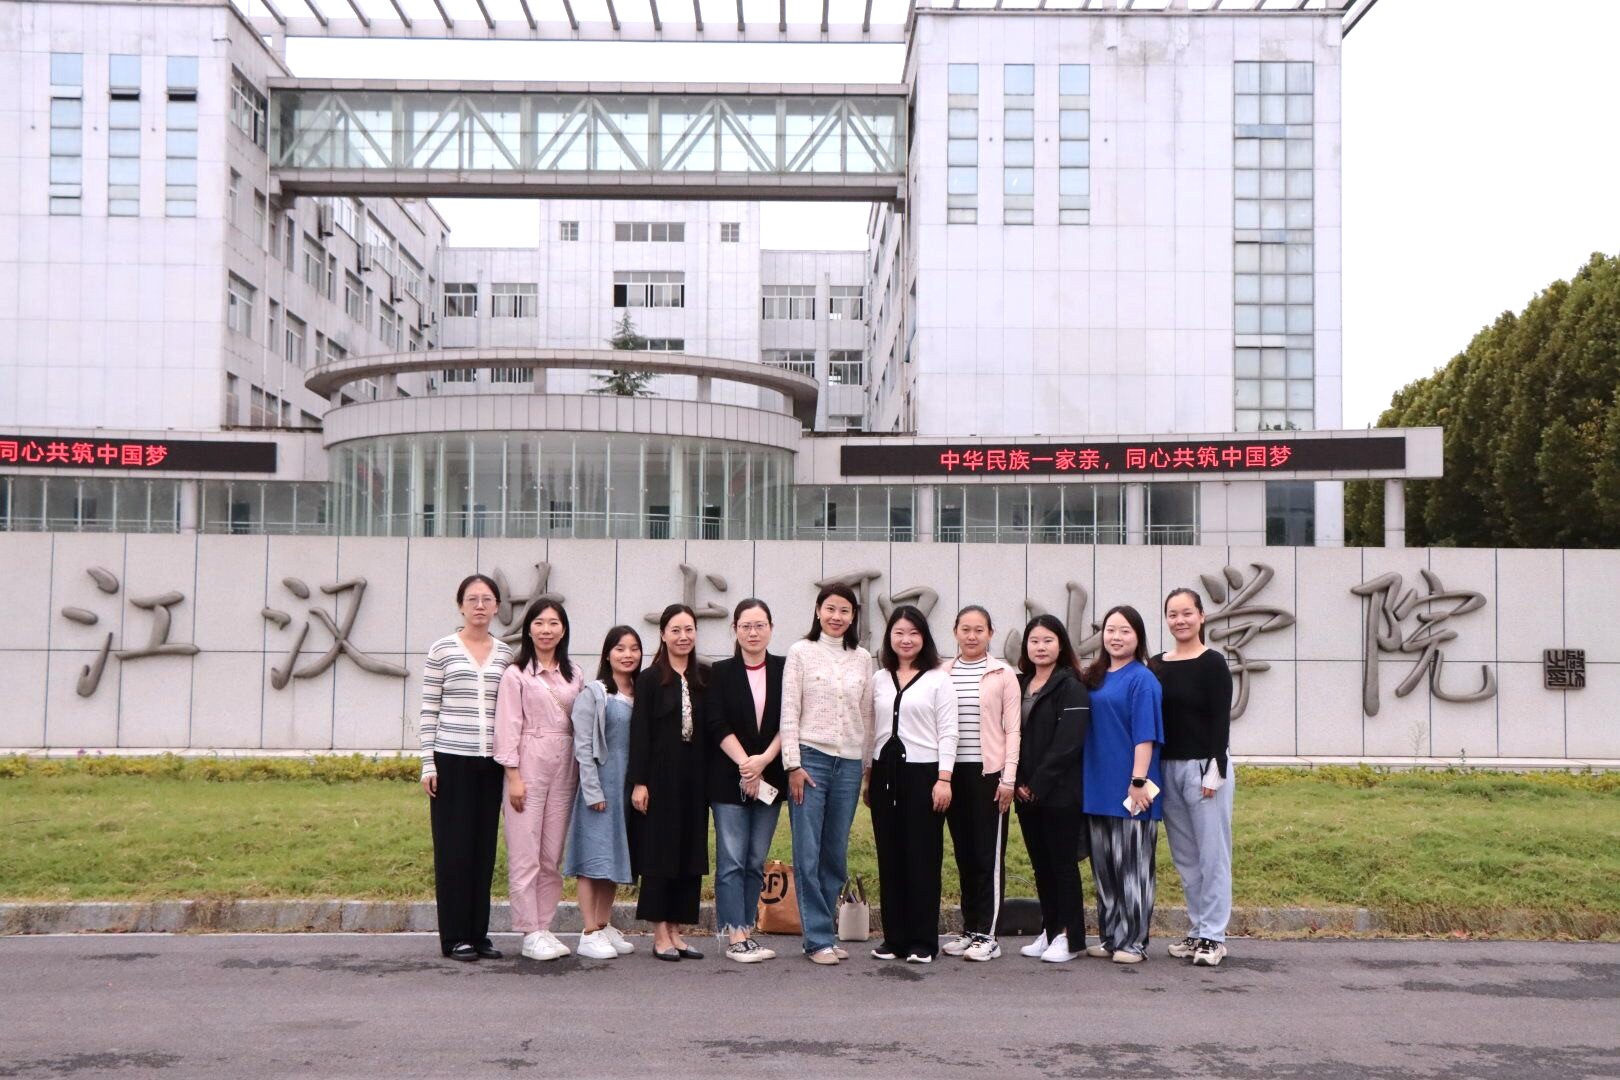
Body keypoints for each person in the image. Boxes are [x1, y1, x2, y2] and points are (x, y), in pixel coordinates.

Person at [419, 573, 515, 962]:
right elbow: (429, 709)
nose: (479, 605)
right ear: (460, 605)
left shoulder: (505, 654)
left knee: (483, 849)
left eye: (487, 599)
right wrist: (428, 762)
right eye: (472, 599)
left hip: (490, 764)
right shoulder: (442, 649)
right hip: (450, 761)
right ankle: (454, 936)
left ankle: (478, 934)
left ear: (497, 607)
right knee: (453, 850)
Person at [780, 583, 875, 965]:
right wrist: (793, 764)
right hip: (810, 760)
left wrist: (866, 767)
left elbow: (867, 716)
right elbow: (789, 710)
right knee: (807, 852)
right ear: (818, 610)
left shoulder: (863, 658)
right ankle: (817, 939)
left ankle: (826, 933)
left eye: (845, 611)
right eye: (830, 609)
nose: (837, 617)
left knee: (834, 854)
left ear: (853, 617)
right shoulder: (801, 652)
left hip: (849, 765)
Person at [494, 598, 585, 962]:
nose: (546, 630)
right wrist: (513, 775)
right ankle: (529, 931)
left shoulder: (574, 674)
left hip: (565, 766)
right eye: (539, 623)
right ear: (528, 629)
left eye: (553, 623)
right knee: (525, 853)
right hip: (528, 764)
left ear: (563, 630)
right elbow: (508, 726)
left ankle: (544, 926)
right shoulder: (516, 674)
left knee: (551, 854)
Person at [866, 605, 957, 964]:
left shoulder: (938, 679)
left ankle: (922, 940)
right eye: (899, 632)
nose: (906, 640)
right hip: (884, 774)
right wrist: (868, 776)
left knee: (922, 856)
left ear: (924, 637)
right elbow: (872, 730)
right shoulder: (879, 678)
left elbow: (948, 732)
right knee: (890, 857)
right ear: (889, 636)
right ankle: (894, 939)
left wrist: (944, 779)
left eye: (914, 633)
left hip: (925, 775)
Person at [1152, 588, 1236, 968]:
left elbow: (1221, 718)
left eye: (1187, 613)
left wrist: (1216, 768)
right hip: (1168, 769)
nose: (1180, 620)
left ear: (1201, 616)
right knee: (1186, 858)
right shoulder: (1156, 664)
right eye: (1173, 614)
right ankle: (1199, 928)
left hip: (1204, 767)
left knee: (1213, 856)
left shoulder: (1212, 663)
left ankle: (1214, 936)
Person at [1080, 605, 1165, 965]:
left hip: (1133, 789)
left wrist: (1138, 780)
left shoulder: (1142, 679)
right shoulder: (1095, 676)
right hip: (1097, 787)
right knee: (1105, 870)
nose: (1116, 637)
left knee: (1133, 869)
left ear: (1138, 637)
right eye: (1111, 630)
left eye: (1125, 631)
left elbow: (1146, 735)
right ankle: (1111, 936)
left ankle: (1134, 942)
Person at [706, 599, 788, 964]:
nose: (753, 633)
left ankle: (748, 929)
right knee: (732, 860)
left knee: (755, 860)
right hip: (729, 779)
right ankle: (734, 934)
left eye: (759, 625)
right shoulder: (720, 672)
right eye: (745, 626)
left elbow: (791, 719)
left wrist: (764, 761)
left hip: (770, 775)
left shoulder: (784, 669)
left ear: (771, 628)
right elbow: (716, 723)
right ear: (735, 630)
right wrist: (746, 765)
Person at [627, 604, 710, 961]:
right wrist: (639, 782)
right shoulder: (649, 679)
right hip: (660, 778)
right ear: (662, 634)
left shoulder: (704, 677)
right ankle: (659, 932)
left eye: (688, 629)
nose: (683, 636)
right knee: (660, 853)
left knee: (689, 853)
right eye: (675, 630)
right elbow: (640, 733)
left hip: (695, 777)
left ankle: (677, 930)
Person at [939, 605, 1022, 962]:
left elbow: (1013, 729)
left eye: (979, 630)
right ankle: (970, 928)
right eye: (965, 629)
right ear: (955, 631)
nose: (971, 636)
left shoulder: (1003, 673)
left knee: (988, 856)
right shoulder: (942, 672)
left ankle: (988, 934)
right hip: (952, 774)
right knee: (964, 854)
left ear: (990, 633)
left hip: (989, 775)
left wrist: (1009, 778)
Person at [1013, 614, 1091, 964]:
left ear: (1061, 645)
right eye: (1034, 641)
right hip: (1025, 792)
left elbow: (1068, 744)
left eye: (1048, 640)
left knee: (1062, 866)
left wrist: (1037, 784)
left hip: (1060, 793)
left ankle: (1070, 937)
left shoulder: (1071, 686)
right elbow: (1009, 735)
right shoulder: (1020, 684)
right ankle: (1050, 928)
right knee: (1041, 866)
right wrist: (1018, 782)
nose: (1040, 647)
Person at [563, 625, 643, 961]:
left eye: (634, 648)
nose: (628, 655)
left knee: (614, 858)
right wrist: (592, 789)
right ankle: (588, 931)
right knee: (592, 858)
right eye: (620, 648)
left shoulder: (641, 692)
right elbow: (583, 745)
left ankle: (603, 923)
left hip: (628, 788)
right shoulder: (595, 693)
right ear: (607, 654)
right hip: (600, 787)